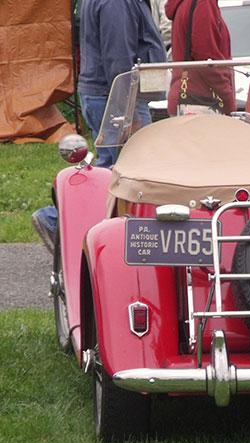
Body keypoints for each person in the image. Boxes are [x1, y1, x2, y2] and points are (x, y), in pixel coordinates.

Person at [31, 0, 167, 254]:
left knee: (114, 169)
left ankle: (70, 224)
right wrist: (128, 111)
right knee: (126, 173)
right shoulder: (118, 2)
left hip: (108, 94)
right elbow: (118, 58)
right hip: (115, 96)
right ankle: (57, 220)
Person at [165, 0, 236, 115]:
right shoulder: (204, 3)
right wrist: (227, 97)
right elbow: (206, 57)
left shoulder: (186, 3)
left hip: (187, 97)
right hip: (202, 101)